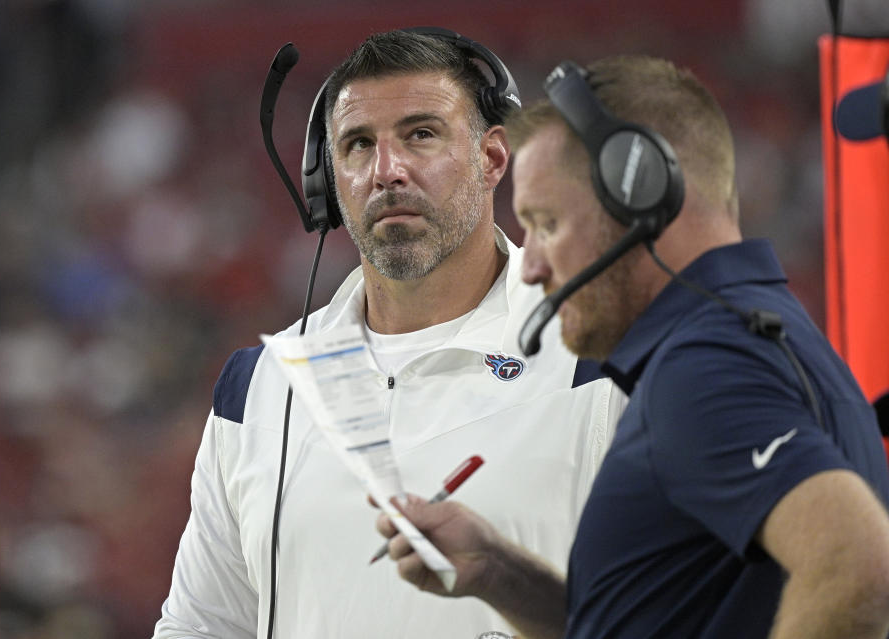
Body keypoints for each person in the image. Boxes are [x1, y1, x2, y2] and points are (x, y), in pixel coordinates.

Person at [377, 54, 889, 639]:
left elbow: (858, 566)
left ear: (641, 191)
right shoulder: (756, 336)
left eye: (545, 223)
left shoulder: (708, 365)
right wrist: (500, 571)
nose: (533, 265)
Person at [152, 30, 626, 638]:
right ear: (327, 181)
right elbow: (201, 627)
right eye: (357, 144)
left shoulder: (602, 360)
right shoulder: (260, 388)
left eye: (420, 135)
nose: (386, 171)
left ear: (493, 158)